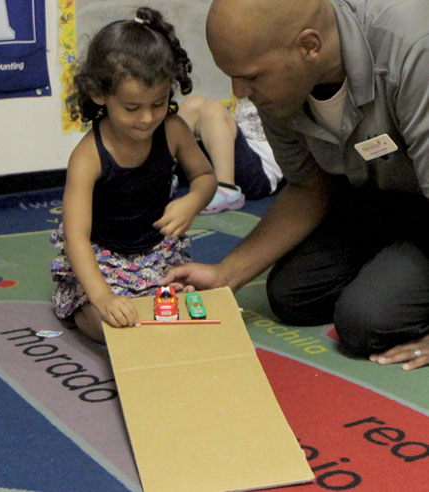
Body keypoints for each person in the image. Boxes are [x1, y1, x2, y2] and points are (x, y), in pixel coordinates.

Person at [162, 0, 429, 370]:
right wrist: (226, 274)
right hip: (380, 195)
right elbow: (309, 187)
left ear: (309, 46)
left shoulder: (414, 46)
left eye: (251, 77)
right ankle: (396, 266)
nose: (239, 92)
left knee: (366, 321)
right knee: (293, 294)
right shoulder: (280, 91)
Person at [50, 7, 216, 342]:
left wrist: (193, 201)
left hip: (156, 252)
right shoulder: (87, 157)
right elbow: (76, 236)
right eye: (131, 108)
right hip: (102, 257)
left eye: (158, 103)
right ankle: (87, 310)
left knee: (183, 304)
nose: (146, 118)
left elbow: (206, 178)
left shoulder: (173, 130)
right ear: (99, 94)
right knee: (108, 321)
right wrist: (102, 297)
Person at [178, 95, 283, 213]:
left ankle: (227, 188)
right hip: (229, 157)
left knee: (212, 109)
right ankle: (164, 173)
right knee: (193, 104)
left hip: (259, 173)